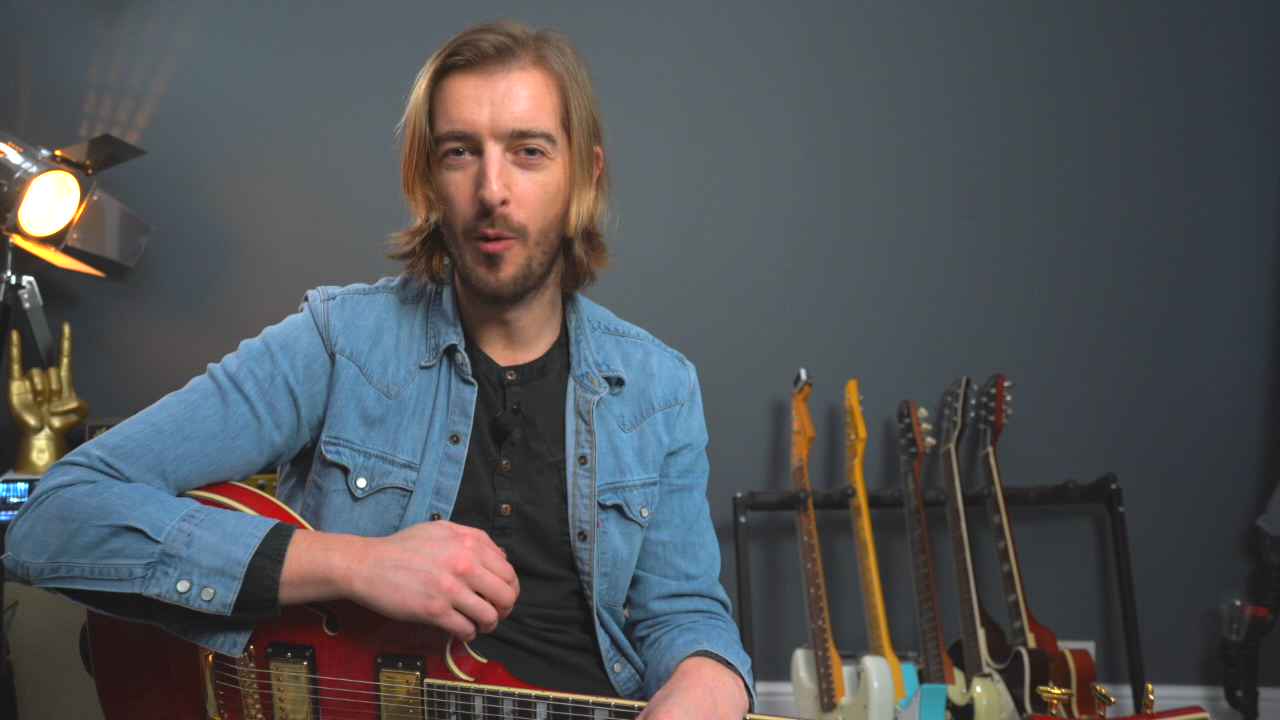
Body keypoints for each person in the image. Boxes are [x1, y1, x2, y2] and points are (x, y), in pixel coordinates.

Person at [2, 20, 753, 719]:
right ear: (427, 178)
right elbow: (53, 517)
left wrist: (711, 676)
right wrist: (354, 565)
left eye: (529, 151)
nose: (492, 190)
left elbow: (684, 612)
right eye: (460, 152)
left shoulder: (660, 389)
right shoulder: (339, 342)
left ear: (584, 175)